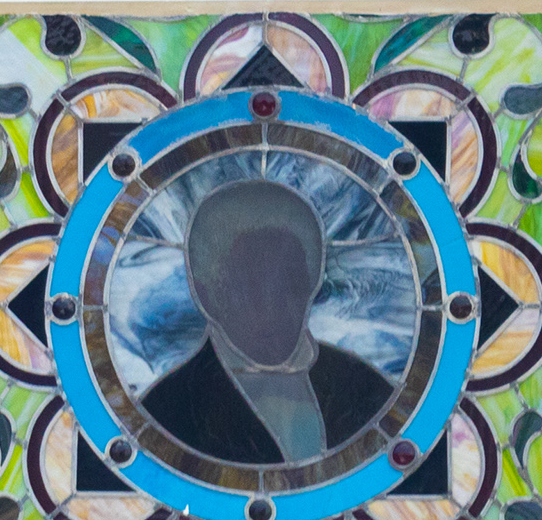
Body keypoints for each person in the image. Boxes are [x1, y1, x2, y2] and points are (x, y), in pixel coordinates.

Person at [140, 174, 396, 467]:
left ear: (310, 286)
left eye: (289, 282)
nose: (271, 307)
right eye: (248, 286)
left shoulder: (366, 391)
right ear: (208, 296)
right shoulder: (168, 412)